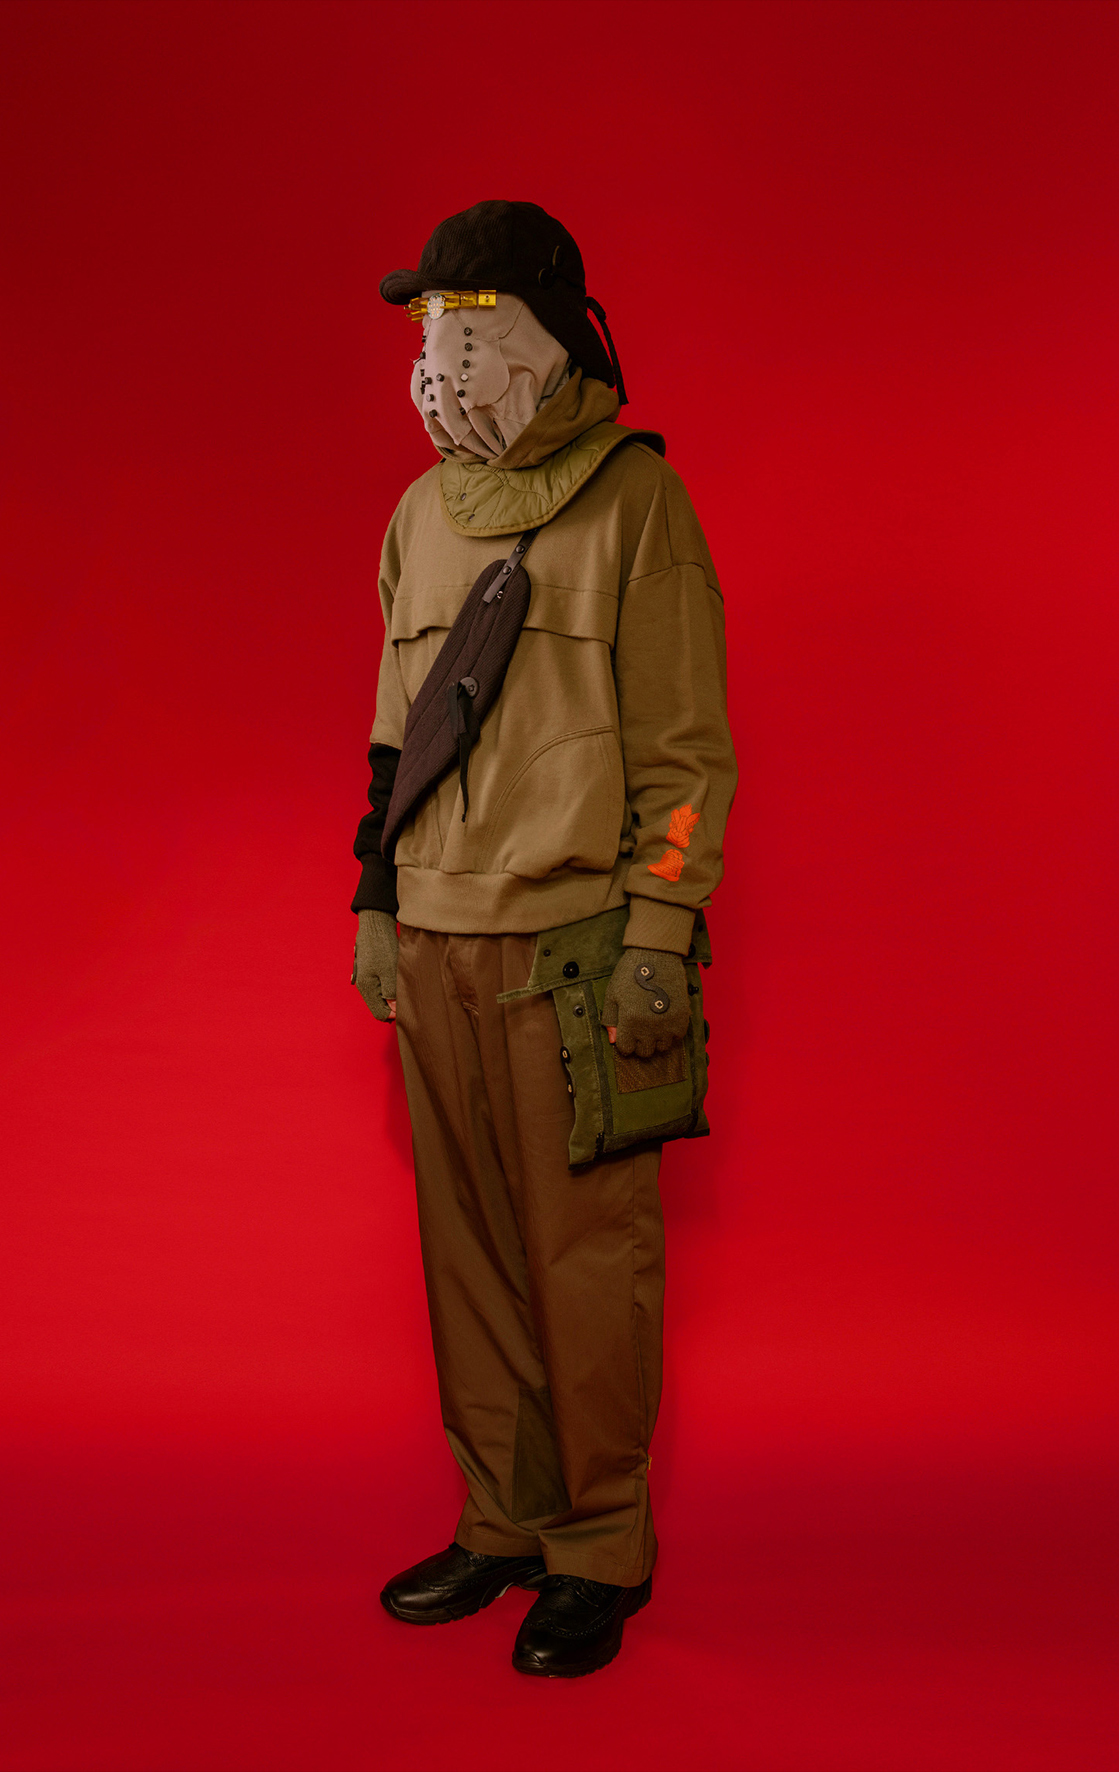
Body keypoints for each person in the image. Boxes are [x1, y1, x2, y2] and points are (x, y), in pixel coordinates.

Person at [351, 200, 736, 1677]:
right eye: (428, 326)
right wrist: (375, 902)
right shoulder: (415, 514)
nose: (443, 355)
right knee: (466, 1253)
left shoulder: (638, 504)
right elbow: (393, 741)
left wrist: (661, 930)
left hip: (574, 946)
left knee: (585, 1257)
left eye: (472, 322)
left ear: (552, 331)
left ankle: (598, 1544)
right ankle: (500, 1520)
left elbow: (687, 756)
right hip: (434, 935)